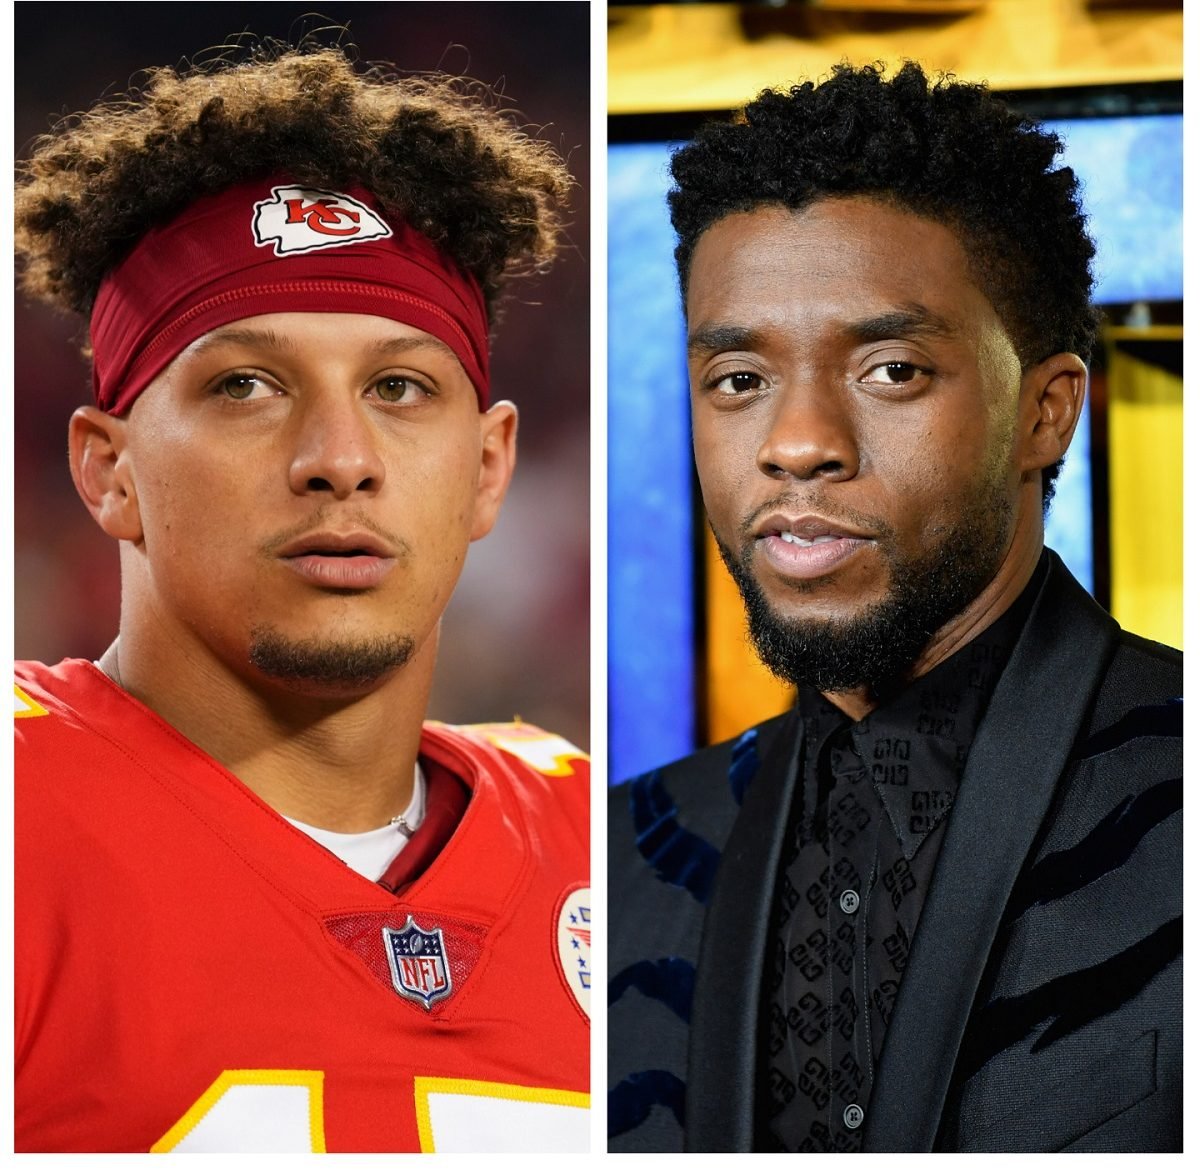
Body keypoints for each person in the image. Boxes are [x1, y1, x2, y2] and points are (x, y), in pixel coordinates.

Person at [15, 44, 590, 1153]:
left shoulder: (611, 846)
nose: (340, 458)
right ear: (108, 470)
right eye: (246, 385)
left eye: (399, 388)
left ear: (487, 468)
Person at [608, 62, 1180, 1154]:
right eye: (738, 380)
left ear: (1047, 413)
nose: (796, 441)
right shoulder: (627, 857)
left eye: (890, 369)